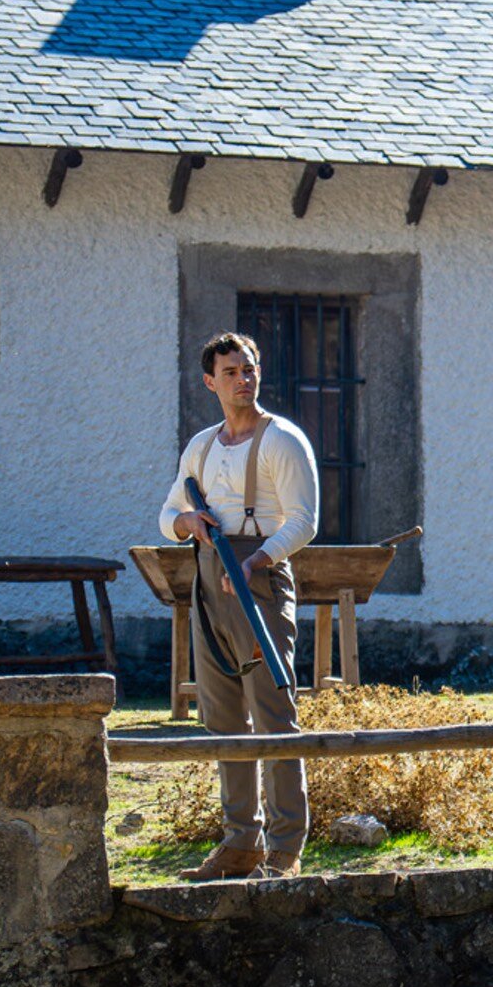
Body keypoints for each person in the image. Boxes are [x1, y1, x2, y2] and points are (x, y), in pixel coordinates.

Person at [159, 332, 320, 881]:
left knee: (273, 712)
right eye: (230, 372)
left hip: (260, 577)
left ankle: (284, 849)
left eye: (248, 369)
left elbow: (305, 520)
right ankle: (239, 842)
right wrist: (186, 523)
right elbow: (168, 512)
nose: (242, 379)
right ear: (211, 381)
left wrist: (258, 561)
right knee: (222, 714)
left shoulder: (284, 440)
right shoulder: (201, 447)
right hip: (209, 576)